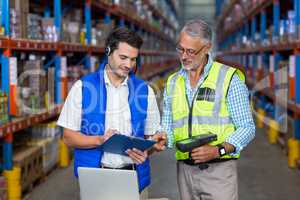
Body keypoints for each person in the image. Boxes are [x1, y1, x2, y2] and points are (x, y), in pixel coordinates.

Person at [57, 27, 166, 197]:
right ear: (108, 52)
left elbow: (151, 138)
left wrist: (152, 146)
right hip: (95, 178)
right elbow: (68, 137)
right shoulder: (83, 87)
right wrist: (99, 140)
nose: (128, 65)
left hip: (135, 178)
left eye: (133, 59)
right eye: (123, 57)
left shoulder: (145, 91)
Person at [160, 19, 256, 200]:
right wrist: (162, 137)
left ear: (207, 48)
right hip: (184, 171)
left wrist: (217, 150)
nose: (184, 56)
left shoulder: (229, 78)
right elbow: (168, 125)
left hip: (218, 172)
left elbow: (247, 127)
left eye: (191, 51)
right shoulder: (173, 81)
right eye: (180, 49)